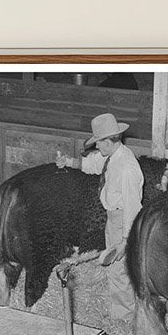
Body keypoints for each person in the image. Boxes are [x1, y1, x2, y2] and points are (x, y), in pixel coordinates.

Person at [56, 112, 144, 320]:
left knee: (119, 271)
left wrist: (125, 240)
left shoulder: (127, 168)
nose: (96, 147)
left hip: (123, 221)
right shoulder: (113, 157)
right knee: (117, 270)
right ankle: (122, 311)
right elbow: (94, 164)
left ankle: (124, 317)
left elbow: (133, 206)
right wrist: (68, 161)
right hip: (113, 219)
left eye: (98, 142)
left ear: (108, 140)